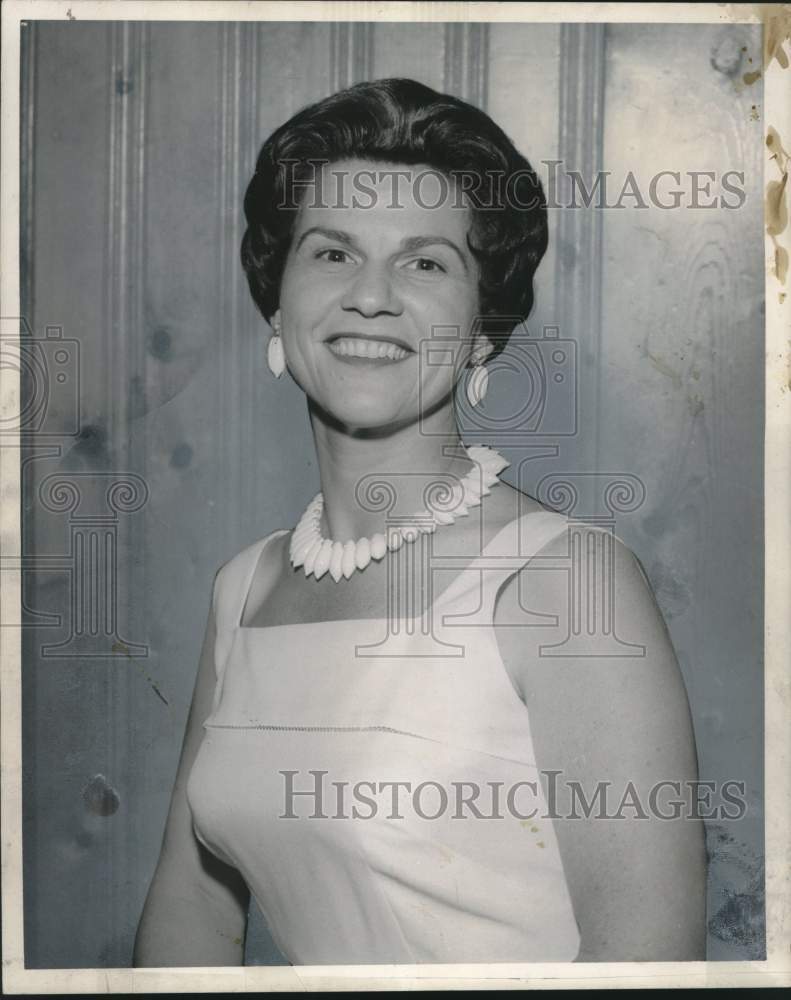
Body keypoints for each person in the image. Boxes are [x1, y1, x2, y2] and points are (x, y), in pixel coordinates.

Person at [133, 78, 705, 967]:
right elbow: (192, 911)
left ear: (481, 328)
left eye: (425, 263)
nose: (370, 296)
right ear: (277, 301)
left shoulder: (566, 585)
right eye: (332, 252)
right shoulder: (244, 589)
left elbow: (647, 960)